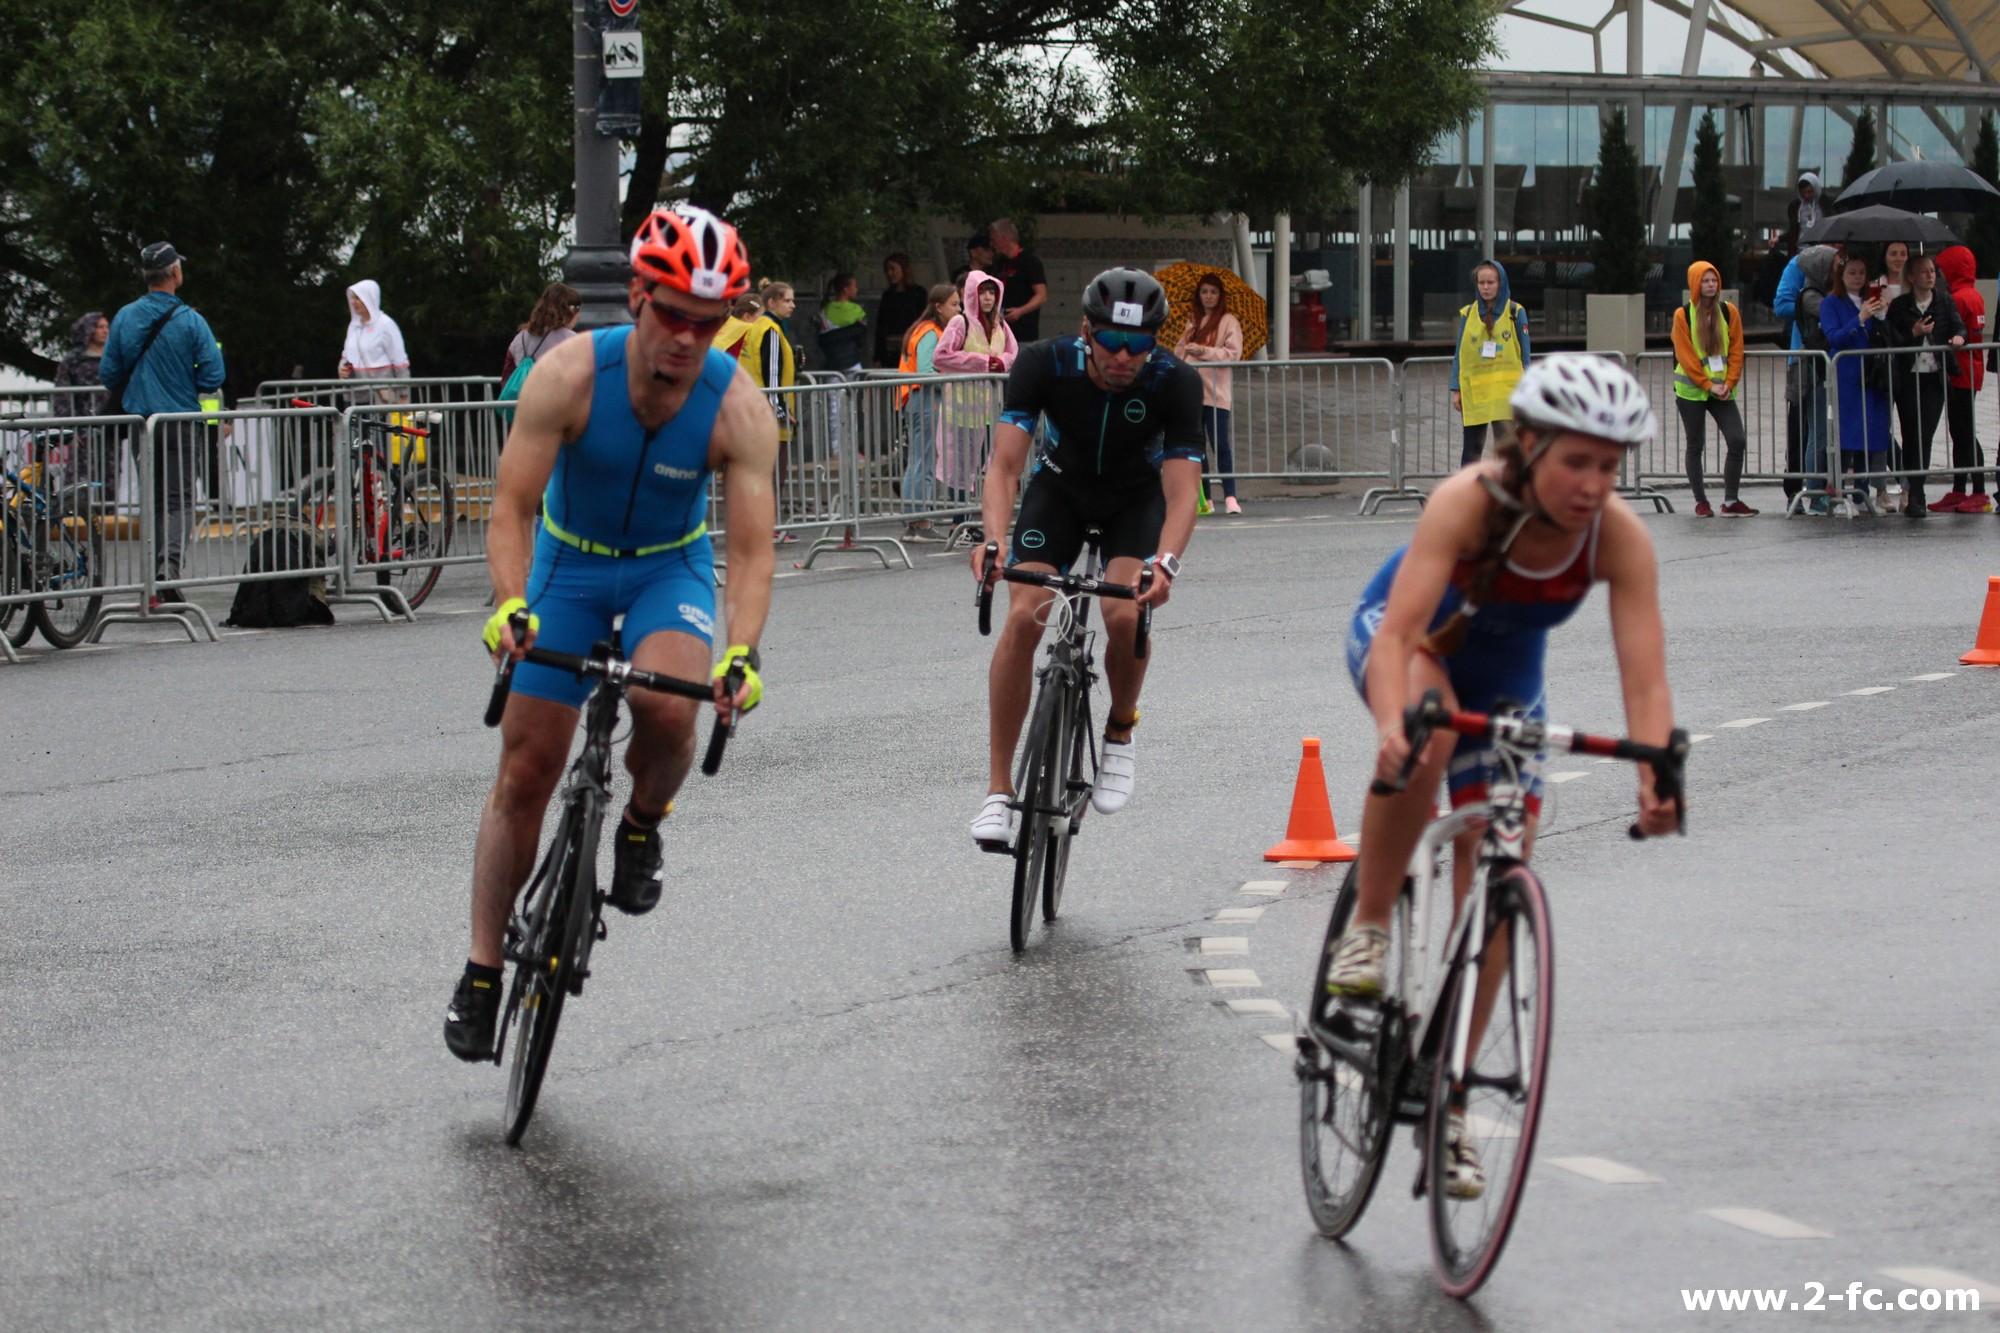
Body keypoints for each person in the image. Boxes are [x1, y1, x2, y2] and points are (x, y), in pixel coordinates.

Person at [1325, 355, 1678, 1197]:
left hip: (1512, 681)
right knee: (1429, 741)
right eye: (1576, 461)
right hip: (1411, 645)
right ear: (1527, 445)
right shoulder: (1467, 501)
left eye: (1610, 466)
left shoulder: (1619, 537)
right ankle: (1368, 927)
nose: (1594, 484)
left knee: (1503, 858)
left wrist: (1656, 770)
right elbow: (1398, 634)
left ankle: (1445, 1095)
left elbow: (1646, 678)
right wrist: (1390, 727)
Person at [444, 204, 777, 1062]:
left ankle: (639, 822)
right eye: (673, 314)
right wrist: (509, 604)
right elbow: (512, 507)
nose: (688, 338)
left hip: (668, 567)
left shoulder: (737, 408)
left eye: (708, 323)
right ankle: (482, 969)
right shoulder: (568, 376)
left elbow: (750, 552)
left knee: (669, 708)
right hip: (571, 564)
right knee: (526, 769)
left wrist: (743, 652)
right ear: (636, 295)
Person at [968, 268, 1204, 847]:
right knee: (1024, 616)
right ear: (1086, 332)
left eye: (1139, 344)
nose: (1124, 356)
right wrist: (993, 540)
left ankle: (1119, 728)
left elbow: (1182, 494)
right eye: (1112, 341)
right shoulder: (1044, 363)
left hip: (1134, 503)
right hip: (1059, 494)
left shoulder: (1175, 381)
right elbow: (1004, 466)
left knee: (1124, 613)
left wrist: (1166, 564)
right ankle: (998, 791)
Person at [97, 241, 225, 595]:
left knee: (152, 499)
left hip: (141, 423)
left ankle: (154, 570)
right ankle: (170, 565)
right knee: (180, 499)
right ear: (175, 273)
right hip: (180, 420)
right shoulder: (190, 320)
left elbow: (109, 373)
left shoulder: (125, 316)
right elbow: (214, 375)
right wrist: (187, 380)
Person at [933, 268, 1018, 521]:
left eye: (992, 292)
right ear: (972, 294)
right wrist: (982, 362)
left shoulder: (1001, 324)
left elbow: (1013, 353)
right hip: (960, 407)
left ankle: (978, 518)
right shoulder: (961, 323)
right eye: (983, 292)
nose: (988, 297)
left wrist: (1001, 362)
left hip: (989, 409)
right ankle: (959, 521)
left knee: (985, 464)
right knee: (958, 467)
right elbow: (940, 356)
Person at [1670, 261, 1754, 516]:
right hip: (1691, 391)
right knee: (1695, 444)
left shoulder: (1728, 312)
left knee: (1737, 439)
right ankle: (1701, 501)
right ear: (1695, 284)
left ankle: (1731, 500)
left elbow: (1737, 350)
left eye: (1714, 280)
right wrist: (1707, 384)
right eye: (1705, 281)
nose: (1710, 285)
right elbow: (1685, 356)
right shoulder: (1683, 315)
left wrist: (1729, 382)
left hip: (1722, 389)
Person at [1886, 251, 1964, 516]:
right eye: (1923, 271)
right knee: (1911, 434)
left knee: (1925, 434)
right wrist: (1914, 332)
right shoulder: (1900, 306)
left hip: (1934, 377)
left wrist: (1958, 338)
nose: (1930, 276)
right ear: (1911, 277)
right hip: (1909, 378)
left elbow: (1958, 326)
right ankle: (1912, 489)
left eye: (1932, 271)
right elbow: (1892, 338)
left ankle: (1917, 492)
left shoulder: (1944, 301)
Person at [1821, 252, 1892, 509]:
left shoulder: (1870, 300)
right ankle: (1837, 491)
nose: (1857, 277)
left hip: (1869, 376)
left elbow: (1882, 336)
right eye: (1852, 272)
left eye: (1861, 273)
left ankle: (1861, 492)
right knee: (1844, 435)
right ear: (1841, 275)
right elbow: (1834, 337)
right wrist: (1859, 318)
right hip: (1845, 375)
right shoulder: (1831, 303)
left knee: (1868, 434)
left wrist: (1881, 317)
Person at [1174, 271, 1245, 516]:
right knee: (1198, 447)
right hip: (1193, 392)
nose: (1208, 296)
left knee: (1220, 445)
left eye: (1213, 292)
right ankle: (1206, 498)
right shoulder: (1193, 322)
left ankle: (1231, 496)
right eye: (1204, 292)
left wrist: (1203, 351)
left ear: (1220, 295)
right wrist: (1186, 351)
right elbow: (1180, 352)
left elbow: (1233, 353)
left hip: (1216, 393)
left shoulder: (1229, 321)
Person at [1774, 244, 1838, 512]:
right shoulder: (1800, 264)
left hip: (1833, 360)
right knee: (1802, 427)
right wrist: (1810, 306)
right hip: (1805, 357)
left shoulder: (1840, 271)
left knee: (1827, 429)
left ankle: (1828, 484)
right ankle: (1795, 489)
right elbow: (1781, 305)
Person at [1449, 261, 1530, 467]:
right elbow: (1459, 353)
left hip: (1506, 393)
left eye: (1491, 283)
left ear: (1500, 283)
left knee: (1506, 450)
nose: (1485, 287)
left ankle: (1507, 486)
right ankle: (1470, 487)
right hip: (1476, 393)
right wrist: (1456, 389)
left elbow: (1525, 356)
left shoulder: (1515, 312)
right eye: (1481, 283)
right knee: (1471, 450)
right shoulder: (1468, 314)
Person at [897, 282, 959, 540]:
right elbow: (926, 370)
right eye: (954, 304)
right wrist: (953, 377)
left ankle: (915, 521)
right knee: (924, 461)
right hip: (925, 399)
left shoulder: (924, 329)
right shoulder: (931, 332)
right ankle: (920, 522)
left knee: (918, 460)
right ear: (939, 307)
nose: (959, 309)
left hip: (917, 398)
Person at [740, 279, 799, 538]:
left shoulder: (756, 327)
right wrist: (781, 411)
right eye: (787, 300)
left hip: (754, 410)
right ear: (772, 302)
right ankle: (767, 527)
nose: (793, 305)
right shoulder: (771, 331)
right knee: (774, 473)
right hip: (769, 415)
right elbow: (772, 375)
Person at [1935, 245, 1991, 512]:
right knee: (1961, 430)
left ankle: (1977, 491)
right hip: (1970, 370)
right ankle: (1962, 489)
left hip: (1960, 372)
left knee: (1963, 432)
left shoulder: (1957, 298)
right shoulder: (1973, 295)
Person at [53, 311, 112, 496]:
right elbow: (62, 396)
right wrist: (69, 429)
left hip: (110, 426)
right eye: (100, 327)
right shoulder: (73, 360)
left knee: (109, 475)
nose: (105, 331)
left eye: (106, 327)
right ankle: (75, 510)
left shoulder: (113, 356)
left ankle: (107, 510)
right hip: (82, 428)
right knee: (79, 476)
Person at [337, 279, 410, 400]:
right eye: (352, 298)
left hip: (381, 396)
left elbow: (400, 361)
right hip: (354, 395)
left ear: (369, 298)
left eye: (358, 298)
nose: (353, 302)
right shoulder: (353, 326)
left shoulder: (386, 324)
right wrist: (342, 369)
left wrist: (404, 395)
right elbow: (346, 355)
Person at [502, 283, 582, 379]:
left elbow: (507, 378)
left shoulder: (520, 338)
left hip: (525, 388)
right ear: (566, 311)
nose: (579, 315)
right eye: (576, 309)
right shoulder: (572, 340)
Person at [988, 218, 1048, 343]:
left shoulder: (1030, 262)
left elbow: (1041, 295)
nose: (992, 244)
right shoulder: (999, 264)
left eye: (994, 239)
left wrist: (1021, 311)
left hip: (1023, 333)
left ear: (1004, 238)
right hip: (1000, 332)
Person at [873, 253, 928, 370]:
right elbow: (880, 327)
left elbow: (924, 321)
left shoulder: (919, 293)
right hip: (890, 352)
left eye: (893, 269)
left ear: (904, 269)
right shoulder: (887, 296)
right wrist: (877, 357)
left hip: (912, 348)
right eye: (887, 270)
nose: (890, 273)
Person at [714, 293, 762, 361]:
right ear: (747, 316)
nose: (761, 320)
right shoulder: (749, 328)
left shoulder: (727, 322)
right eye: (760, 316)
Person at [1785, 172, 1824, 253]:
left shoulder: (1824, 205)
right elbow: (1793, 231)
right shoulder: (1795, 206)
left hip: (1821, 251)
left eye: (1809, 192)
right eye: (1803, 192)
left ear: (1816, 189)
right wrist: (1778, 238)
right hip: (1801, 251)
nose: (1806, 195)